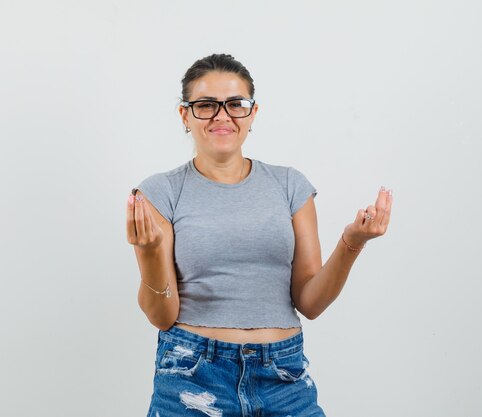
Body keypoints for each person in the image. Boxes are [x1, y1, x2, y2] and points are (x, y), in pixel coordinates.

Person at [125, 53, 392, 417]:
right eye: (206, 105)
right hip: (193, 376)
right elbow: (161, 314)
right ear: (185, 115)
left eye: (236, 104)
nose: (222, 116)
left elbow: (309, 302)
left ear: (253, 113)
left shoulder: (289, 185)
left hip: (284, 377)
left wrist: (352, 243)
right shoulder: (160, 192)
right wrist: (152, 252)